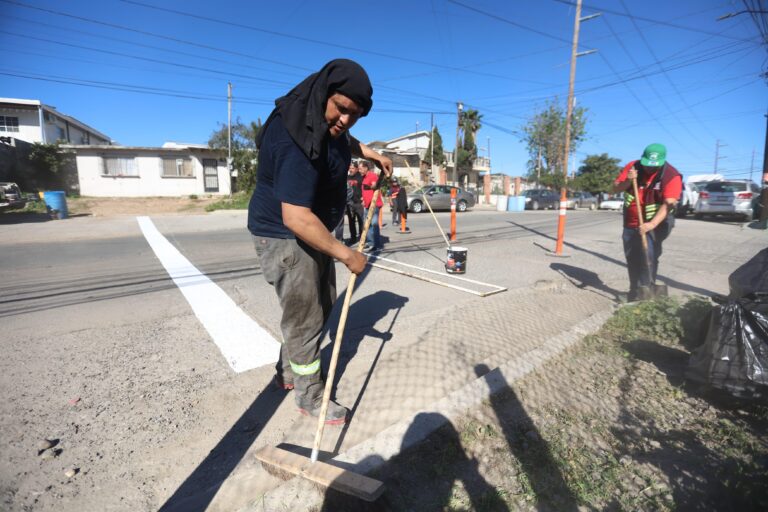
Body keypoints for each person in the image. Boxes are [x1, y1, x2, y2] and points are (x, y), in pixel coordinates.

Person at [248, 59, 392, 425]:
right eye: (341, 109)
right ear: (324, 94)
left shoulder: (324, 121)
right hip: (287, 237)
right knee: (307, 319)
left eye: (355, 115)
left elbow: (344, 138)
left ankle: (286, 372)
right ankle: (311, 396)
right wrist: (348, 256)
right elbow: (295, 217)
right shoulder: (294, 137)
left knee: (316, 307)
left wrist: (371, 153)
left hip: (313, 232)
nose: (345, 120)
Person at [613, 143, 681, 301]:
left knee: (648, 256)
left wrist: (651, 225)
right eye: (647, 166)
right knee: (632, 256)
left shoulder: (671, 176)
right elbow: (615, 188)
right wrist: (628, 181)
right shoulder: (632, 167)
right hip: (631, 221)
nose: (649, 169)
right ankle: (634, 292)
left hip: (657, 222)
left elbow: (668, 205)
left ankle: (645, 294)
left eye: (654, 167)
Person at [361, 160, 384, 251]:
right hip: (367, 205)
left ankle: (377, 245)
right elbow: (365, 191)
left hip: (374, 204)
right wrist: (363, 199)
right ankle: (371, 242)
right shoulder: (364, 177)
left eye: (361, 168)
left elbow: (376, 186)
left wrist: (370, 186)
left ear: (366, 168)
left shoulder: (372, 175)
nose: (359, 170)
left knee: (374, 224)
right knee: (367, 224)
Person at [345, 161, 364, 244]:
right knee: (351, 221)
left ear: (356, 169)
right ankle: (353, 238)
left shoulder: (361, 177)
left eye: (352, 168)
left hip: (359, 203)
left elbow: (365, 188)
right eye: (350, 168)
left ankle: (361, 238)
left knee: (361, 221)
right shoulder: (347, 177)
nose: (350, 170)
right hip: (350, 203)